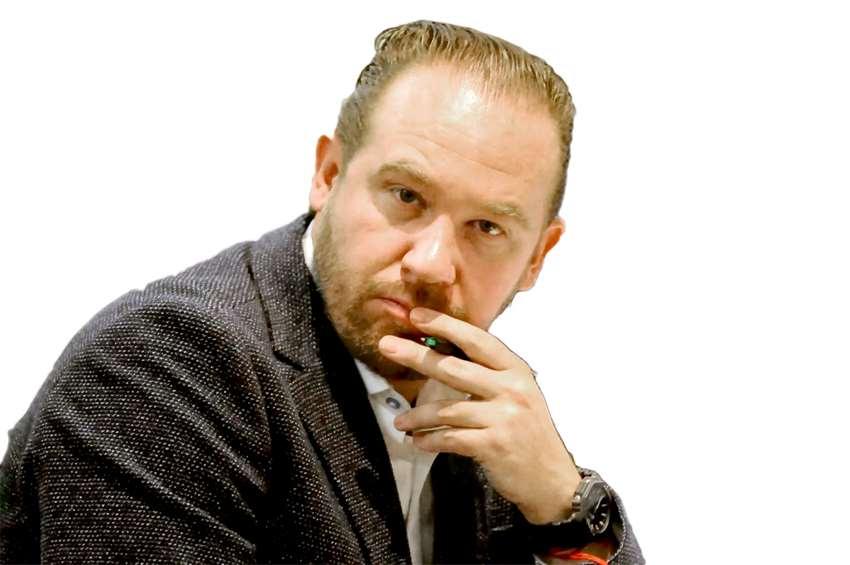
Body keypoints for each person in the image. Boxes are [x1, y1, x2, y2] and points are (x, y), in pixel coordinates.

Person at [0, 20, 644, 564]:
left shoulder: (490, 413)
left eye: (487, 228)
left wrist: (564, 505)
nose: (431, 264)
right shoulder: (169, 362)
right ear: (329, 175)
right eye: (406, 196)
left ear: (537, 256)